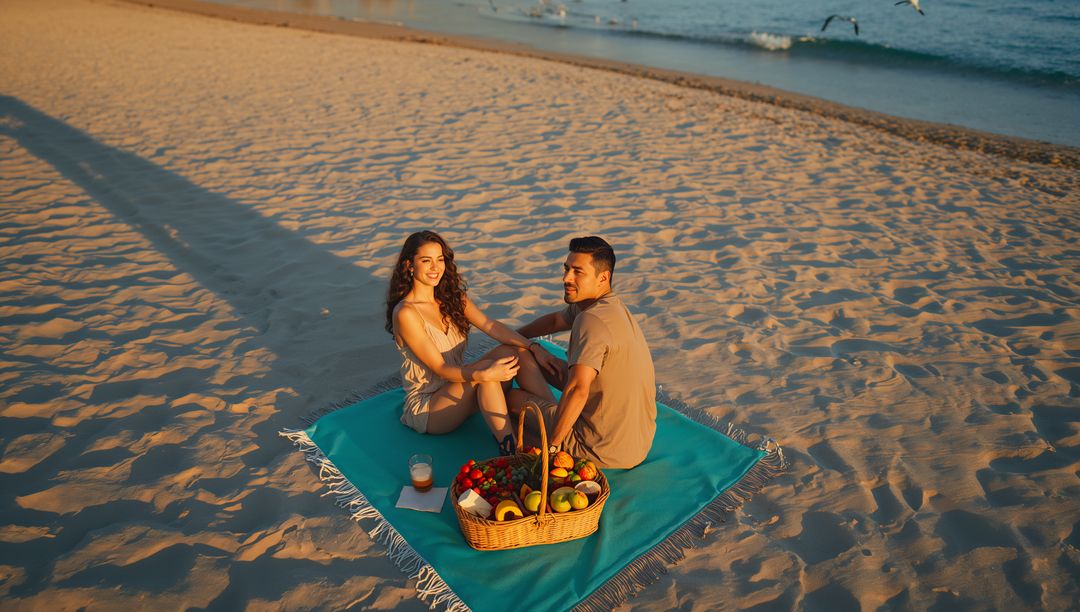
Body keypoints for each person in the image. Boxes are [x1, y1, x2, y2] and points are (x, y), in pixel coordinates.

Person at [386, 231, 557, 455]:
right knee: (486, 372)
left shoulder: (452, 298)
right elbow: (441, 369)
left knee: (516, 352)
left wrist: (533, 347)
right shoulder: (406, 312)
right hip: (430, 406)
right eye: (426, 261)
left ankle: (556, 422)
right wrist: (483, 375)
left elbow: (490, 326)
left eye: (440, 259)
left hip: (461, 388)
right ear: (409, 265)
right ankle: (511, 450)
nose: (435, 267)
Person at [511, 236, 656, 469]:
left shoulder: (591, 320)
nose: (566, 278)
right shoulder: (608, 306)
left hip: (598, 449)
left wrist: (554, 449)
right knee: (524, 354)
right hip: (638, 445)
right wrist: (516, 336)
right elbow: (556, 320)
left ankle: (516, 448)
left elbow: (578, 389)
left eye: (577, 272)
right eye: (567, 269)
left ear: (603, 278)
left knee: (511, 400)